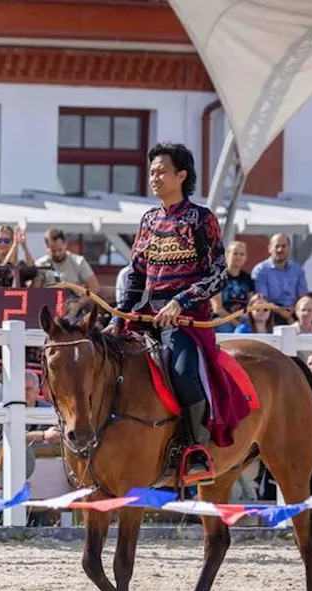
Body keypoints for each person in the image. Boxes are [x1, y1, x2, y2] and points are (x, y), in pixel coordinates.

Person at [110, 142, 232, 482]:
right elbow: (135, 272)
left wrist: (181, 301)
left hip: (186, 320)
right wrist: (119, 316)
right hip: (146, 315)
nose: (154, 178)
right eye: (151, 172)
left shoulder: (202, 218)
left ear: (182, 175)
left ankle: (197, 449)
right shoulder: (148, 220)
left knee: (184, 374)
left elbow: (220, 272)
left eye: (162, 171)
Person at [252, 233, 308, 312]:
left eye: (283, 246)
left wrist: (291, 313)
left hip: (295, 312)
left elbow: (302, 297)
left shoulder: (298, 270)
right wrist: (284, 314)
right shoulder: (260, 270)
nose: (280, 250)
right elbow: (263, 299)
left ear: (289, 248)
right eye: (277, 246)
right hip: (270, 313)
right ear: (269, 248)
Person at [34, 227, 99, 293]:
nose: (57, 254)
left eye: (60, 250)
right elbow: (35, 292)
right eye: (53, 251)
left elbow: (94, 287)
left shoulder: (79, 262)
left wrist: (79, 302)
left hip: (72, 300)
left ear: (65, 244)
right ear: (47, 247)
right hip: (48, 301)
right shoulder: (41, 264)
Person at [210, 240, 254, 332]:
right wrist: (237, 324)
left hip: (242, 318)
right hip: (222, 319)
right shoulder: (218, 277)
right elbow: (217, 309)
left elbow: (250, 303)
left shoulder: (247, 279)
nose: (239, 257)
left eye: (242, 254)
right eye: (235, 253)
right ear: (227, 254)